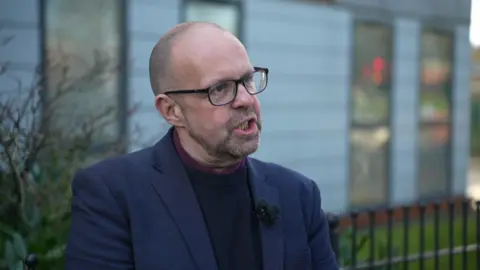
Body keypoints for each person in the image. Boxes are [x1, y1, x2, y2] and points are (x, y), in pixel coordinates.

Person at [64, 22, 338, 270]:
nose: (245, 99)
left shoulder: (299, 195)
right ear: (171, 111)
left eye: (247, 80)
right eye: (219, 88)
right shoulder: (111, 195)